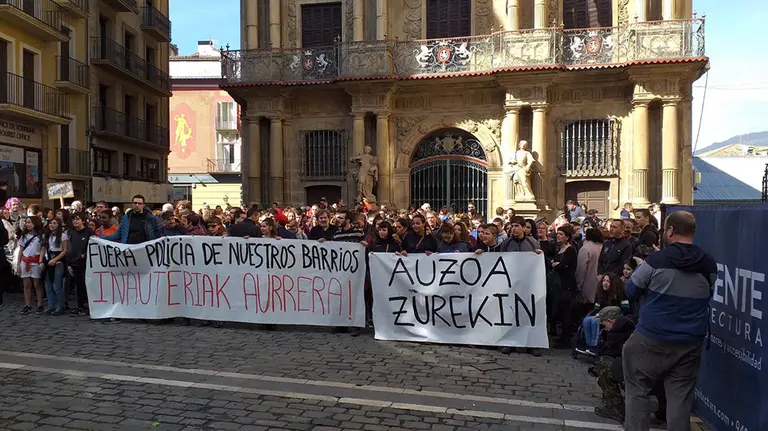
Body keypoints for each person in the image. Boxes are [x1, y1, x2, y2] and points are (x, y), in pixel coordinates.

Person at [623, 211, 717, 431]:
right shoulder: (709, 263)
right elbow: (708, 292)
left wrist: (639, 269)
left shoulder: (656, 260)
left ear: (670, 231)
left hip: (652, 337)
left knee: (638, 391)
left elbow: (631, 289)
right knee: (680, 400)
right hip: (690, 341)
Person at [40, 217, 69, 315]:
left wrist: (55, 259)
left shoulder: (63, 236)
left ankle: (61, 306)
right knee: (48, 285)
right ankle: (51, 305)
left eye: (54, 223)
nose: (52, 225)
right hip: (48, 260)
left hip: (58, 260)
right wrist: (40, 261)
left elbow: (65, 250)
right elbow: (43, 249)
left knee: (57, 285)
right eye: (51, 223)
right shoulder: (46, 236)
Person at [17, 216, 45, 315]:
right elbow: (21, 250)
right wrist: (18, 263)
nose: (27, 224)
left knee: (37, 284)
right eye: (26, 222)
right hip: (25, 261)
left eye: (29, 222)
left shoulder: (41, 236)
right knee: (26, 285)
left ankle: (40, 304)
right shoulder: (23, 236)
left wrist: (41, 261)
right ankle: (28, 305)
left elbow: (42, 249)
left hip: (35, 261)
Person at [67, 213, 92, 316]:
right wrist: (69, 263)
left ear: (83, 220)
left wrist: (84, 255)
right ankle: (80, 305)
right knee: (78, 285)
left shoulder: (88, 232)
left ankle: (88, 306)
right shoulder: (72, 233)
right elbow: (70, 249)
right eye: (73, 220)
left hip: (85, 263)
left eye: (77, 219)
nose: (75, 221)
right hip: (74, 263)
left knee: (86, 285)